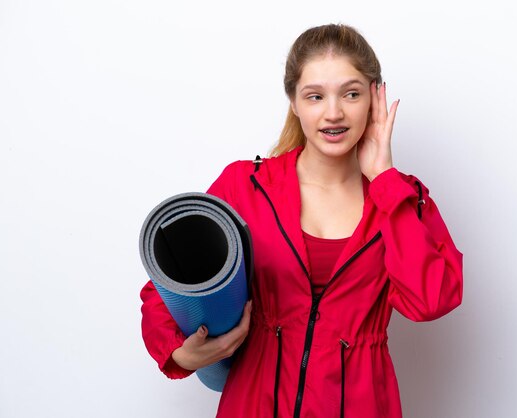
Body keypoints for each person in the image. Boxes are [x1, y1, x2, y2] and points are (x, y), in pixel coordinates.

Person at [140, 23, 463, 417]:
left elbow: (431, 299)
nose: (334, 112)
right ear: (293, 101)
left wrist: (384, 179)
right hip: (254, 404)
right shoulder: (246, 186)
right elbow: (167, 285)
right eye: (315, 96)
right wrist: (180, 352)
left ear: (376, 99)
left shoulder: (402, 198)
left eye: (352, 93)